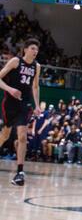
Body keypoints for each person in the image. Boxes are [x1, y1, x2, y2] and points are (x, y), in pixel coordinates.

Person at [0, 38, 41, 186]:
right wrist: (10, 89)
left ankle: (19, 173)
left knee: (22, 136)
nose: (35, 52)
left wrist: (37, 105)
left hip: (25, 104)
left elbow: (35, 87)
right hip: (10, 103)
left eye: (36, 49)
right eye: (32, 48)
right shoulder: (15, 62)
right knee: (4, 135)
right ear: (25, 49)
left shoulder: (37, 66)